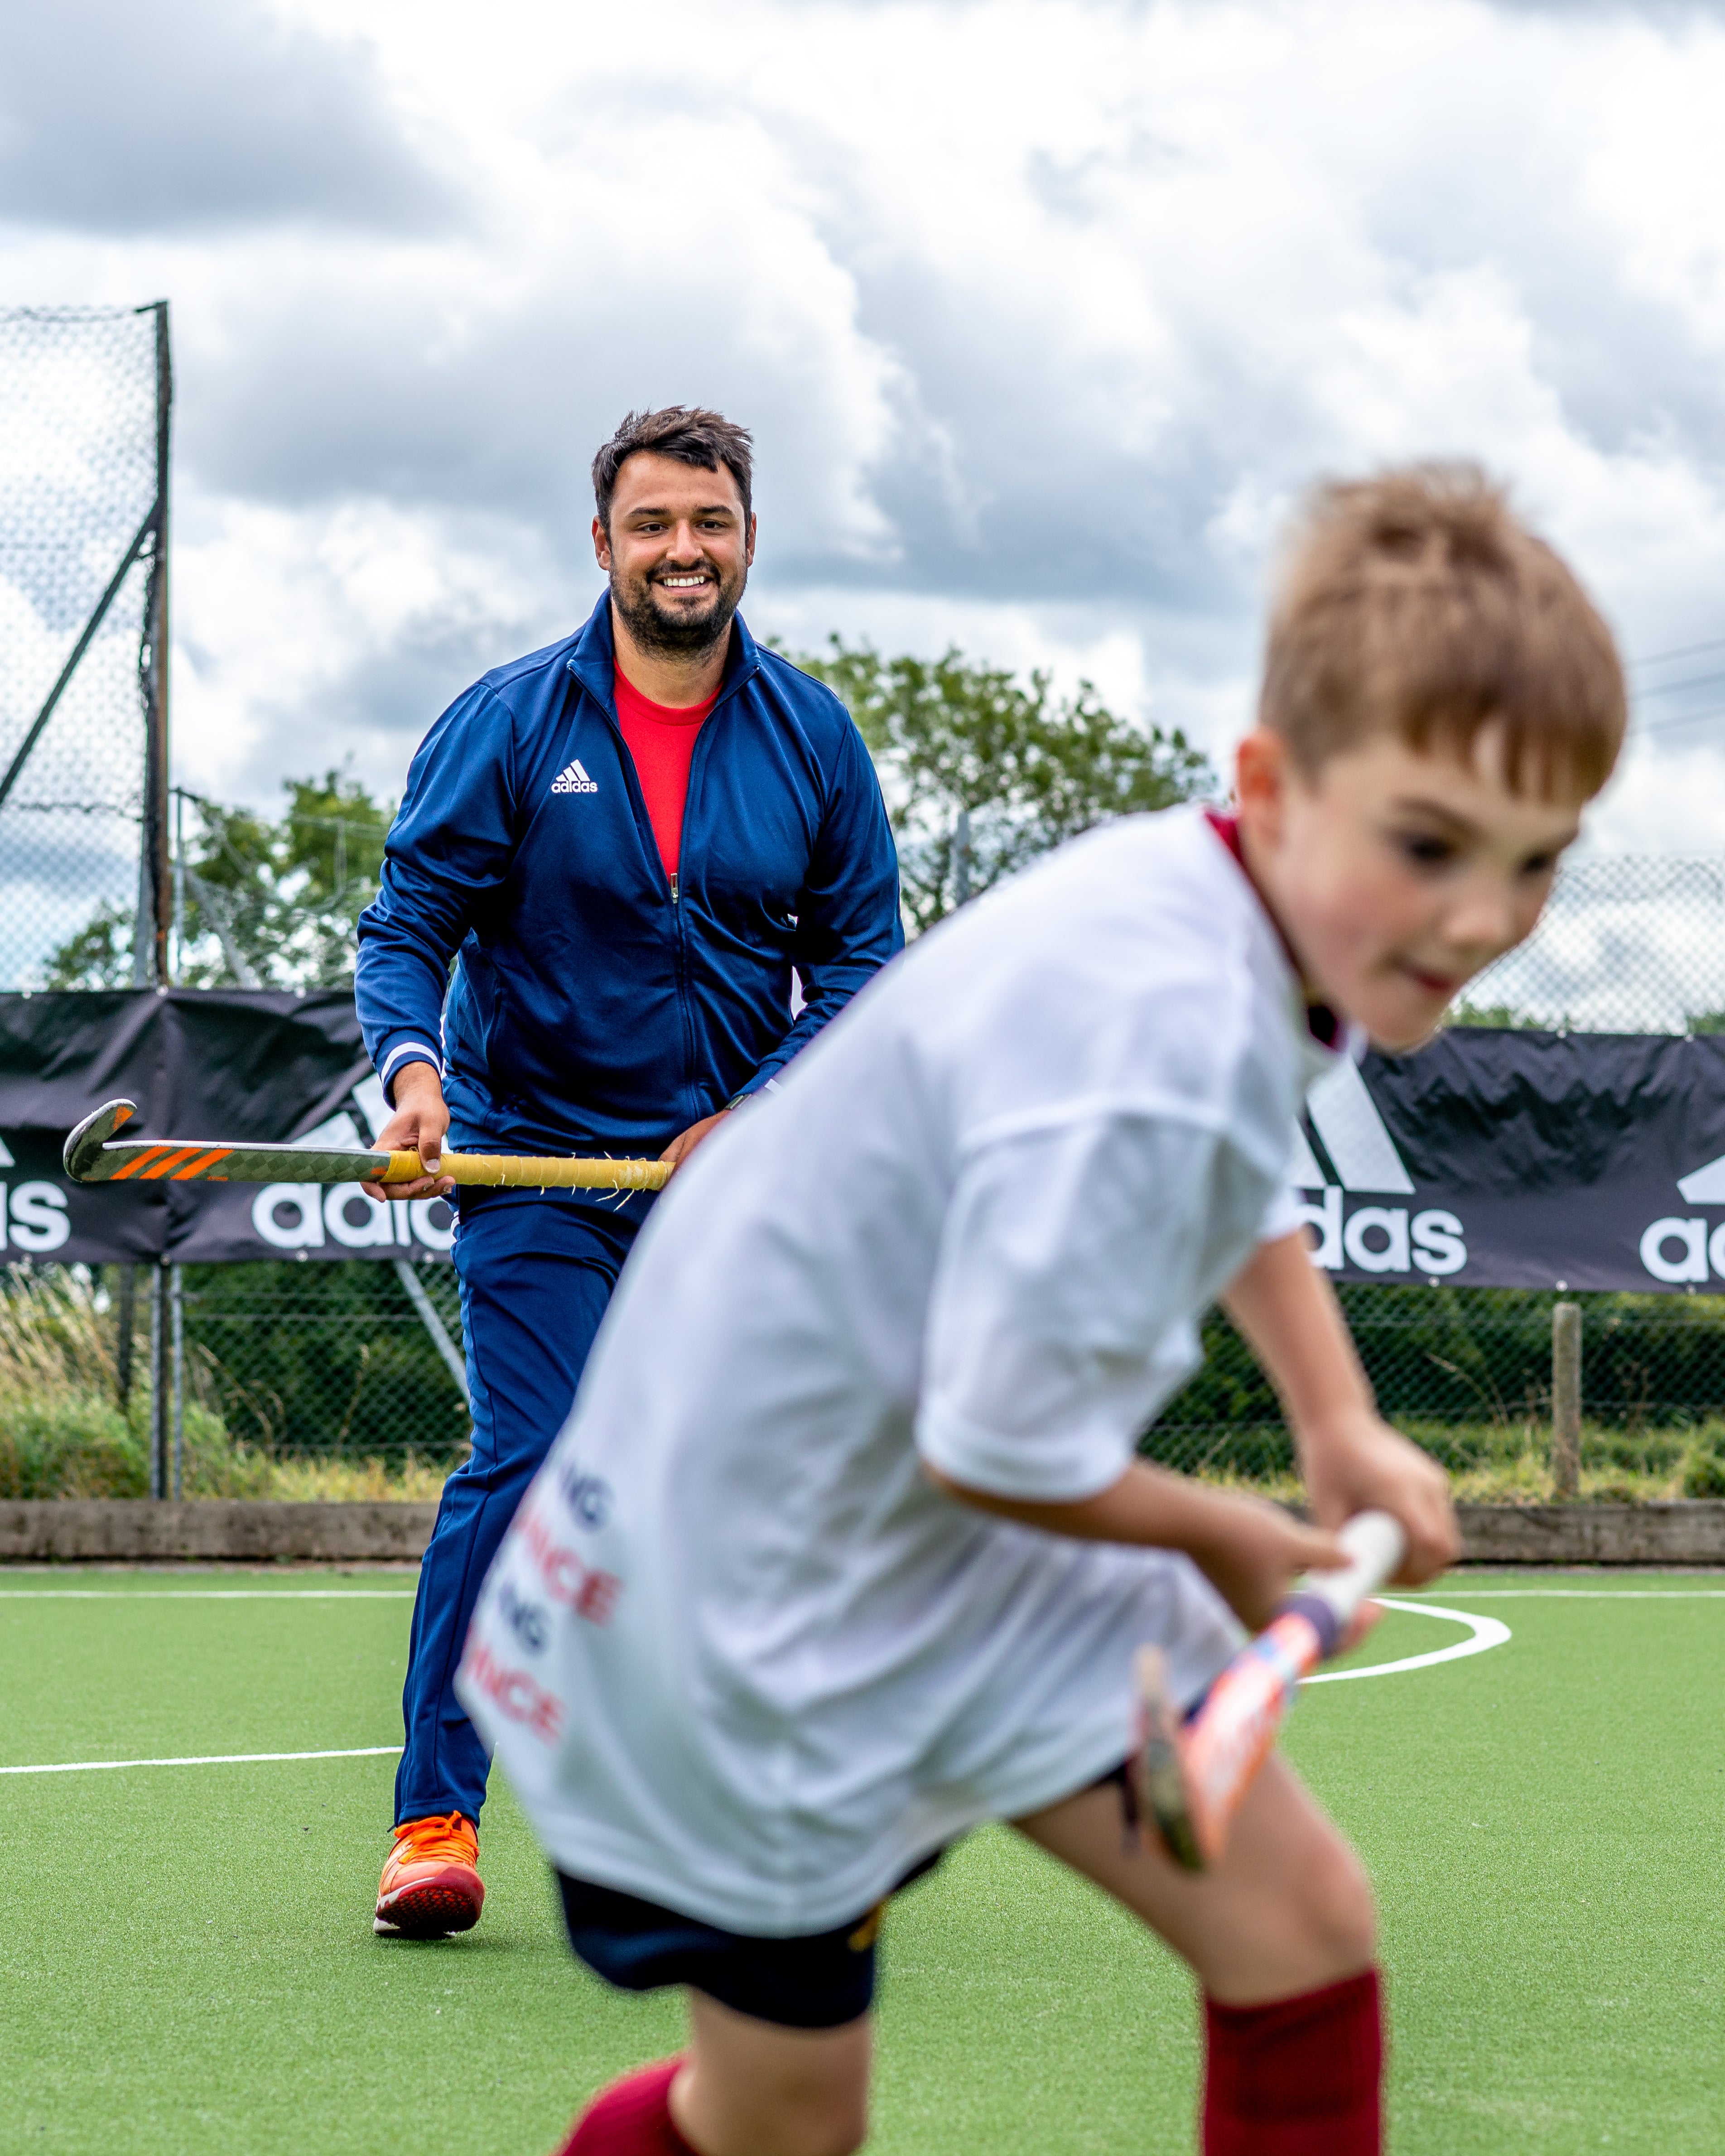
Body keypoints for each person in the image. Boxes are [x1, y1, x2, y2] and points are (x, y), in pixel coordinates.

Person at [459, 464, 1626, 2156]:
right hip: (747, 1605)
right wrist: (1230, 1537)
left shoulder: (1254, 899)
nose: (1481, 920)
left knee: (1297, 1926)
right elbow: (996, 1437)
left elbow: (1236, 1169)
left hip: (921, 1531)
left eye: (1538, 864)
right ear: (1274, 784)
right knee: (780, 2124)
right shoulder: (1148, 1031)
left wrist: (1337, 1420)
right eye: (1435, 847)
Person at [354, 406, 902, 1939]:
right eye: (654, 525)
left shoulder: (812, 738)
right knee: (532, 1462)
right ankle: (434, 1822)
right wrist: (413, 1078)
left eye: (710, 523)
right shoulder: (513, 722)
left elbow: (864, 964)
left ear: (746, 538)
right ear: (602, 544)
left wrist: (763, 1107)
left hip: (725, 1191)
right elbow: (408, 929)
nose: (684, 550)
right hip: (534, 1167)